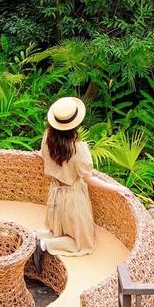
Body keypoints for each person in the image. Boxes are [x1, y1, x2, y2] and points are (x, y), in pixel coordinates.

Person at [37, 96, 95, 260]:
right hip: (73, 198)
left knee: (57, 231)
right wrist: (117, 188)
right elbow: (89, 178)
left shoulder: (48, 138)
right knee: (82, 244)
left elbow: (44, 156)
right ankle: (43, 245)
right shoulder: (78, 149)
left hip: (55, 193)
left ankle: (42, 240)